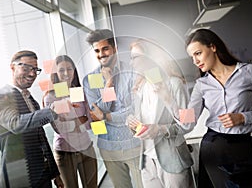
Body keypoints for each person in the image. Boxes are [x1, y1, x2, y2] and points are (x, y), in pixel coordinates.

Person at [186, 29, 252, 188]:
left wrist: (243, 117)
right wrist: (167, 99)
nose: (195, 60)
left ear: (212, 47)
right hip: (213, 149)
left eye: (198, 53)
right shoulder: (201, 85)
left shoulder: (249, 72)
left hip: (242, 148)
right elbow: (187, 123)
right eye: (192, 57)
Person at [0, 50, 64, 188]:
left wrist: (55, 174)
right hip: (20, 177)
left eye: (35, 69)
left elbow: (42, 138)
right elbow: (16, 124)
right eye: (27, 68)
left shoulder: (30, 99)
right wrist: (52, 110)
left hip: (43, 176)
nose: (32, 74)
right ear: (12, 67)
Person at [126, 39, 195, 188]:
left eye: (135, 58)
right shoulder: (140, 88)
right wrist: (132, 124)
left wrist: (168, 102)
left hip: (172, 160)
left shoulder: (175, 84)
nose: (131, 63)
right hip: (146, 161)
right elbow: (142, 122)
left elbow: (188, 125)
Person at [82, 29, 143, 188]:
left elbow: (135, 110)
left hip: (134, 143)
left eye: (105, 49)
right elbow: (95, 115)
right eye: (97, 50)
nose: (101, 54)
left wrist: (107, 116)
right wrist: (109, 84)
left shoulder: (131, 72)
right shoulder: (91, 79)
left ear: (114, 48)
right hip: (108, 147)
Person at [43, 55, 97, 188]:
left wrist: (73, 123)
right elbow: (59, 128)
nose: (66, 73)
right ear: (55, 73)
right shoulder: (50, 96)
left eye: (69, 69)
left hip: (87, 149)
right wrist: (79, 122)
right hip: (65, 154)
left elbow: (91, 121)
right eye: (61, 70)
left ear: (74, 71)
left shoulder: (79, 91)